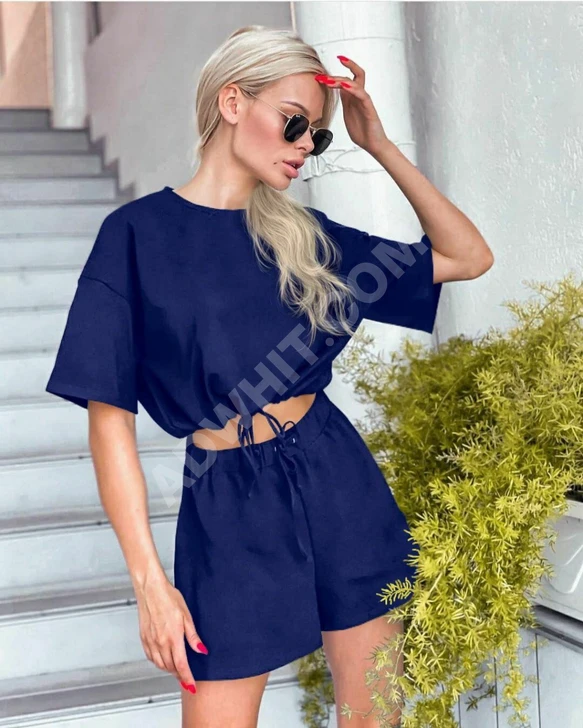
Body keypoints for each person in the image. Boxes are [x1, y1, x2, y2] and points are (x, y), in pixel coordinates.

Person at [45, 24, 493, 728]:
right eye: (293, 122)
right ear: (232, 102)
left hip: (333, 475)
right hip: (225, 500)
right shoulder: (136, 236)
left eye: (317, 135)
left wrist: (378, 145)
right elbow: (109, 423)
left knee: (373, 718)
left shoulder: (306, 238)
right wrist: (149, 583)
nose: (305, 146)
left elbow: (467, 256)